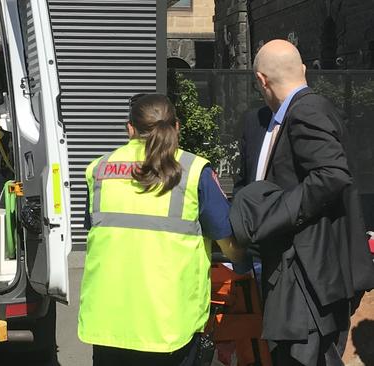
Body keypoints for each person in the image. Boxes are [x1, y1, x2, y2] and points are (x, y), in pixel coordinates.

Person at [230, 39, 374, 365]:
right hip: (300, 275)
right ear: (304, 70)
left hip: (310, 278)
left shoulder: (306, 110)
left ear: (261, 80)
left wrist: (274, 217)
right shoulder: (292, 113)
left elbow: (331, 175)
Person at [78, 93, 244, 366]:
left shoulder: (100, 170)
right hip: (168, 325)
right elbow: (229, 244)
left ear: (129, 128)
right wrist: (247, 262)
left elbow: (97, 231)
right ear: (176, 126)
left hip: (108, 323)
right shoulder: (193, 170)